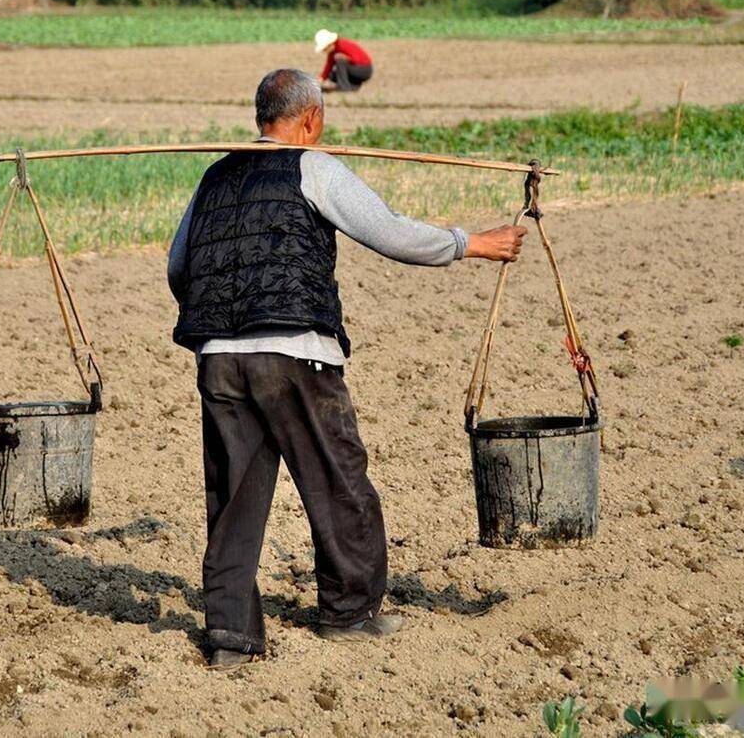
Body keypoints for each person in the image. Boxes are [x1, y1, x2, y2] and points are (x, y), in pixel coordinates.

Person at [167, 69, 527, 670]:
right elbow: (387, 233)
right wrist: (471, 243)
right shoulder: (315, 167)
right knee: (339, 481)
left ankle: (230, 637)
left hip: (219, 360)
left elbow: (181, 269)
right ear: (310, 120)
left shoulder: (212, 176)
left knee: (233, 500)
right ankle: (349, 612)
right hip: (296, 353)